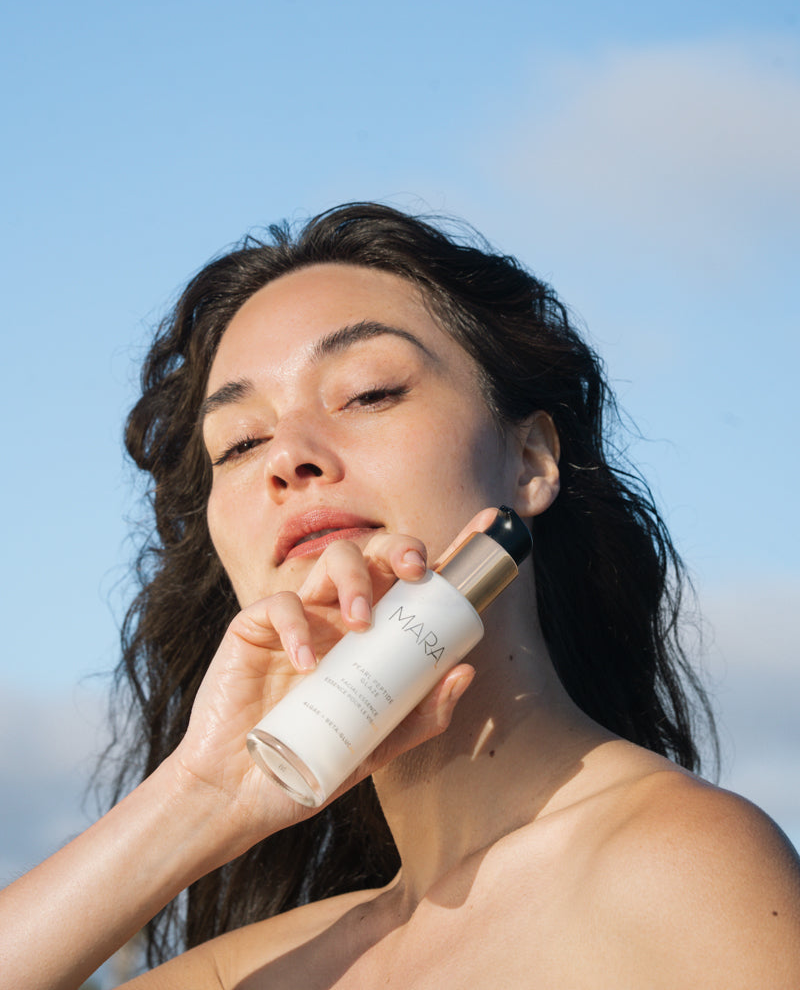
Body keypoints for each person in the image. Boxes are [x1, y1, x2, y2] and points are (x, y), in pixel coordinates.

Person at [3, 202, 799, 989]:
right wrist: (199, 799)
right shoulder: (243, 973)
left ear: (530, 458)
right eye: (241, 443)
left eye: (369, 392)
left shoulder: (675, 866)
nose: (288, 457)